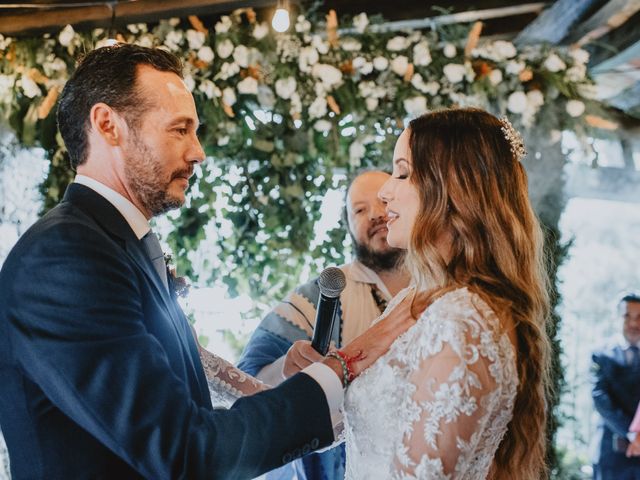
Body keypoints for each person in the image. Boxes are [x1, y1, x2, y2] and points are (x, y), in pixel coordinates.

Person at [0, 43, 414, 479]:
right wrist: (348, 362)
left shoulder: (114, 243)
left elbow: (187, 382)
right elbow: (182, 450)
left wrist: (302, 384)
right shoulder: (65, 259)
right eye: (180, 129)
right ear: (108, 125)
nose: (198, 152)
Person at [333, 108, 551, 479]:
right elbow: (348, 425)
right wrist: (201, 361)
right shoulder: (417, 301)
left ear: (452, 188)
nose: (386, 191)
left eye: (402, 173)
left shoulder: (460, 322)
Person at [238, 170, 410, 480]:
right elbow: (247, 383)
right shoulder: (319, 296)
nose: (375, 214)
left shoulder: (442, 285)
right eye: (359, 209)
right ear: (348, 227)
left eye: (384, 200)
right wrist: (287, 366)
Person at [591, 292, 640, 479]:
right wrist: (634, 435)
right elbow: (600, 399)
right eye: (627, 316)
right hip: (610, 456)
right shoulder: (600, 355)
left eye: (639, 318)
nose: (634, 324)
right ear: (618, 318)